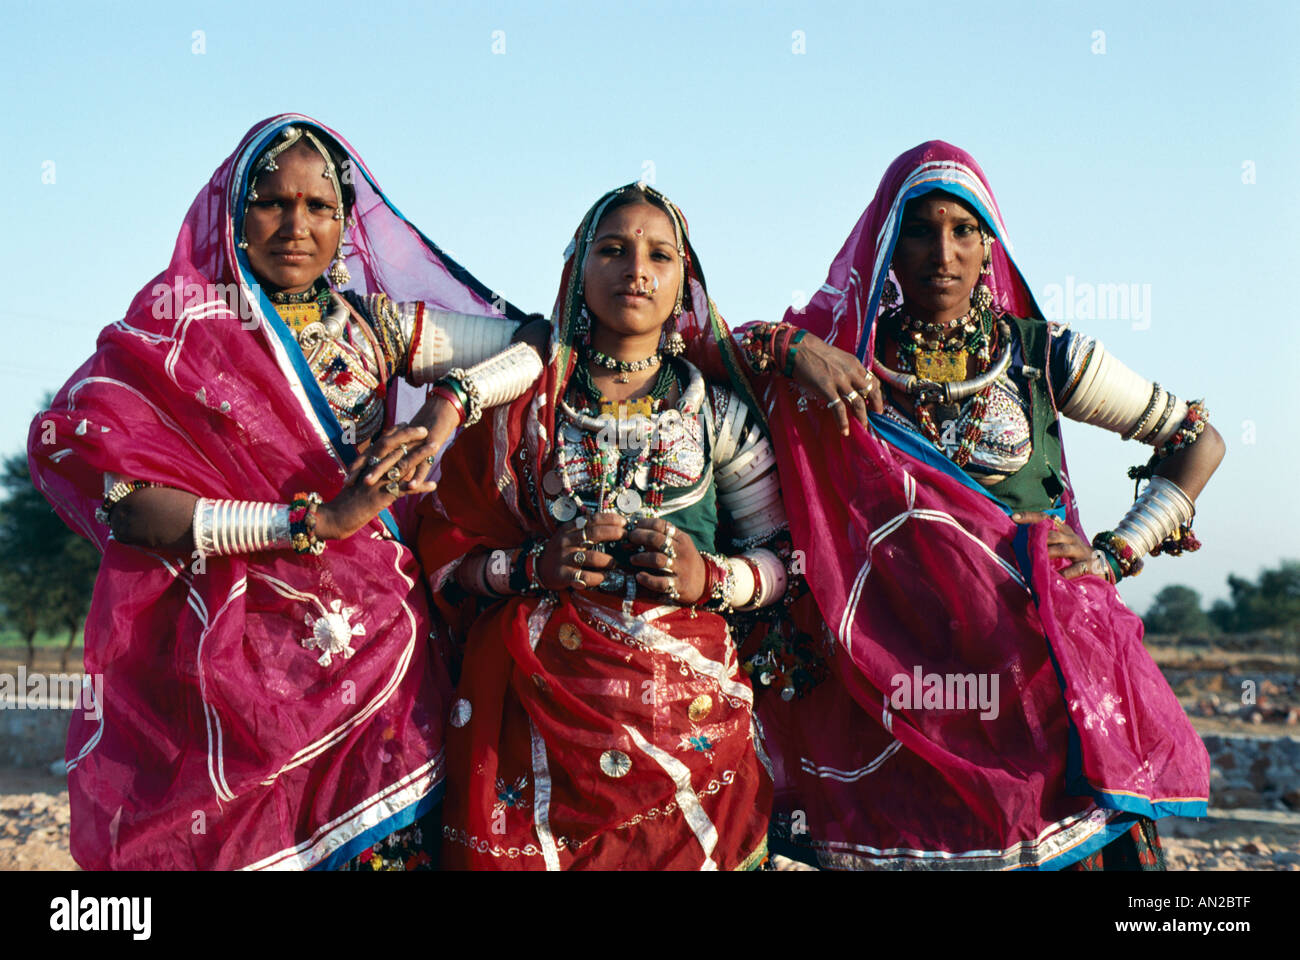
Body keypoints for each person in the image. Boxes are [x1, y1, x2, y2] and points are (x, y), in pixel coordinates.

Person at [27, 114, 546, 870]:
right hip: (237, 653)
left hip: (386, 643)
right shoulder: (178, 337)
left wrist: (447, 404)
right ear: (234, 216)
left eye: (320, 207)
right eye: (272, 202)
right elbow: (127, 507)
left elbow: (539, 341)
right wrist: (316, 521)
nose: (297, 226)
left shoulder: (375, 328)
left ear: (345, 222)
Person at [754, 141, 1224, 870]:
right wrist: (792, 348)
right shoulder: (844, 360)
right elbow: (710, 353)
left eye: (963, 230)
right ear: (885, 244)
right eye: (919, 230)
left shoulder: (1041, 355)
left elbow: (1198, 440)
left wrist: (1115, 553)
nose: (942, 253)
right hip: (902, 683)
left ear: (989, 244)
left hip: (1040, 674)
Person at [416, 183, 873, 870]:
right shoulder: (526, 411)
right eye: (612, 250)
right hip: (542, 721)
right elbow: (452, 557)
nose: (636, 270)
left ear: (685, 281)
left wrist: (708, 577)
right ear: (578, 269)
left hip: (692, 720)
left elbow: (787, 560)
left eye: (660, 255)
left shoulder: (716, 413)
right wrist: (536, 566)